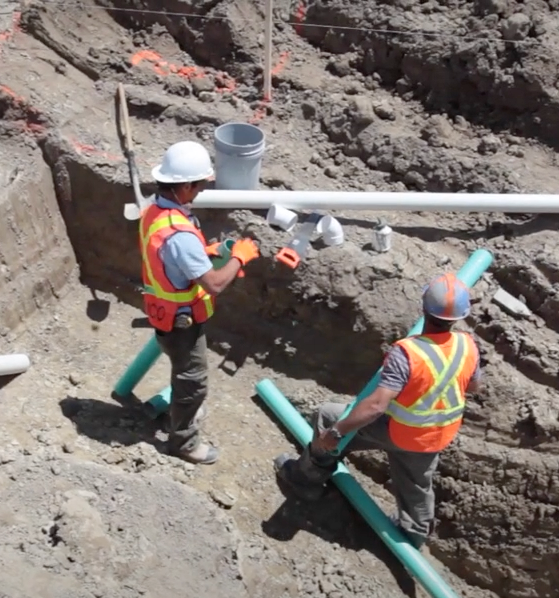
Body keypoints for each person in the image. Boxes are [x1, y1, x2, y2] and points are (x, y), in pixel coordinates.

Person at [273, 273, 483, 549]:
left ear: (424, 308)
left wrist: (336, 432)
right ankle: (414, 535)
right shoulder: (467, 345)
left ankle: (305, 480)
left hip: (399, 431)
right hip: (436, 436)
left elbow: (375, 406)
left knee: (328, 415)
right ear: (460, 316)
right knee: (417, 487)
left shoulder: (407, 353)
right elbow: (474, 387)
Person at [140, 140, 260, 465]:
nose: (202, 192)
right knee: (192, 381)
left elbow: (170, 257)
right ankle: (185, 443)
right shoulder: (179, 234)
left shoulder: (156, 211)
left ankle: (184, 410)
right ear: (185, 185)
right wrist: (239, 257)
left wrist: (204, 253)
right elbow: (215, 284)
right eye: (200, 186)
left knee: (183, 374)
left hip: (163, 312)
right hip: (182, 323)